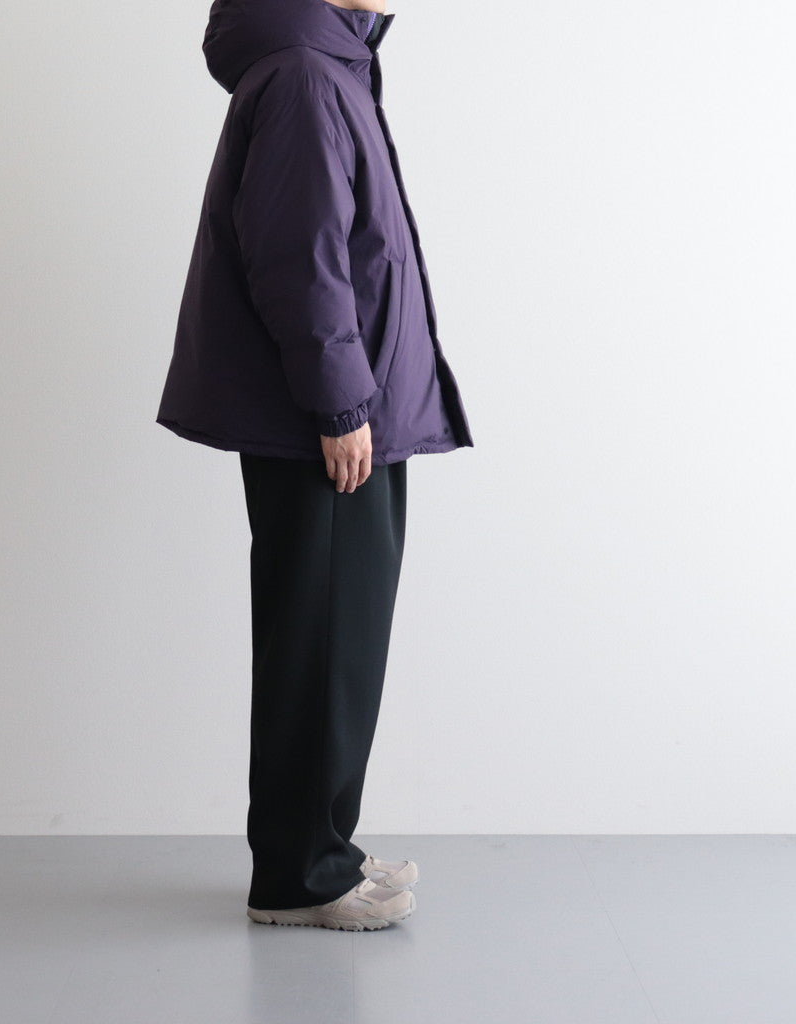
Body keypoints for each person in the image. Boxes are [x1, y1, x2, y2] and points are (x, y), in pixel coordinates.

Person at [156, 0, 474, 931]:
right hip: (330, 418)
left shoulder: (328, 64)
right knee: (323, 646)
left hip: (348, 408)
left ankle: (318, 844)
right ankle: (301, 875)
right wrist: (340, 405)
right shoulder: (304, 72)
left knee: (335, 640)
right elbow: (301, 258)